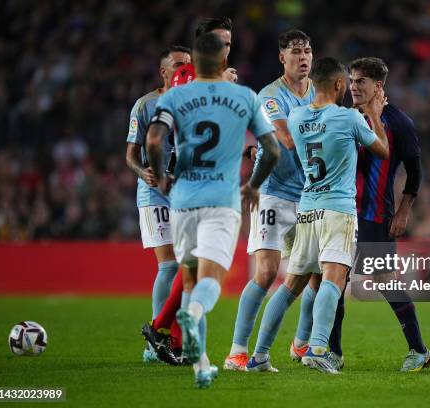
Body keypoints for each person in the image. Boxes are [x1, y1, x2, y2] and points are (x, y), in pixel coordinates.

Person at [146, 32, 279, 388]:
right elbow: (273, 148)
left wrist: (160, 178)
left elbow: (155, 139)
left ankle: (200, 364)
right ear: (223, 62)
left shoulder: (175, 96)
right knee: (209, 281)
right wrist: (252, 185)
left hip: (183, 201)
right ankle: (191, 314)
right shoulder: (244, 97)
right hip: (222, 201)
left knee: (188, 279)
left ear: (194, 63)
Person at [246, 57, 389, 374]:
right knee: (333, 280)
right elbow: (382, 150)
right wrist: (375, 117)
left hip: (307, 208)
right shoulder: (349, 117)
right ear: (339, 85)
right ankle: (319, 348)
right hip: (338, 209)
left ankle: (258, 355)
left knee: (289, 287)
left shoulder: (296, 117)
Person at [322, 57, 430, 372]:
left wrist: (403, 211)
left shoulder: (399, 122)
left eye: (361, 82)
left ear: (378, 86)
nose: (353, 87)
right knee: (335, 281)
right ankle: (333, 352)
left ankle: (419, 350)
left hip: (375, 216)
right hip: (342, 214)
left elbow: (414, 172)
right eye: (352, 81)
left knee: (386, 280)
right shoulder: (343, 117)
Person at [142, 17, 239, 366]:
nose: (224, 50)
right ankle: (174, 337)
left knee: (194, 271)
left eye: (228, 43)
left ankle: (166, 332)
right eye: (218, 42)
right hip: (191, 187)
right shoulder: (187, 75)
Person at [224, 29, 316, 371]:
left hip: (308, 195)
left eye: (307, 51)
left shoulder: (318, 93)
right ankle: (237, 351)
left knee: (314, 275)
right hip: (275, 193)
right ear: (283, 58)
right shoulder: (271, 96)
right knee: (266, 273)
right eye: (296, 52)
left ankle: (301, 344)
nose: (303, 57)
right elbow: (284, 139)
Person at [125, 45, 191, 364]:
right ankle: (157, 339)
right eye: (178, 65)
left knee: (186, 267)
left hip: (185, 194)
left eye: (188, 64)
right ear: (163, 71)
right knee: (169, 265)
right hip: (154, 193)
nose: (184, 69)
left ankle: (170, 336)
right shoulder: (145, 105)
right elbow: (130, 153)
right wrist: (142, 171)